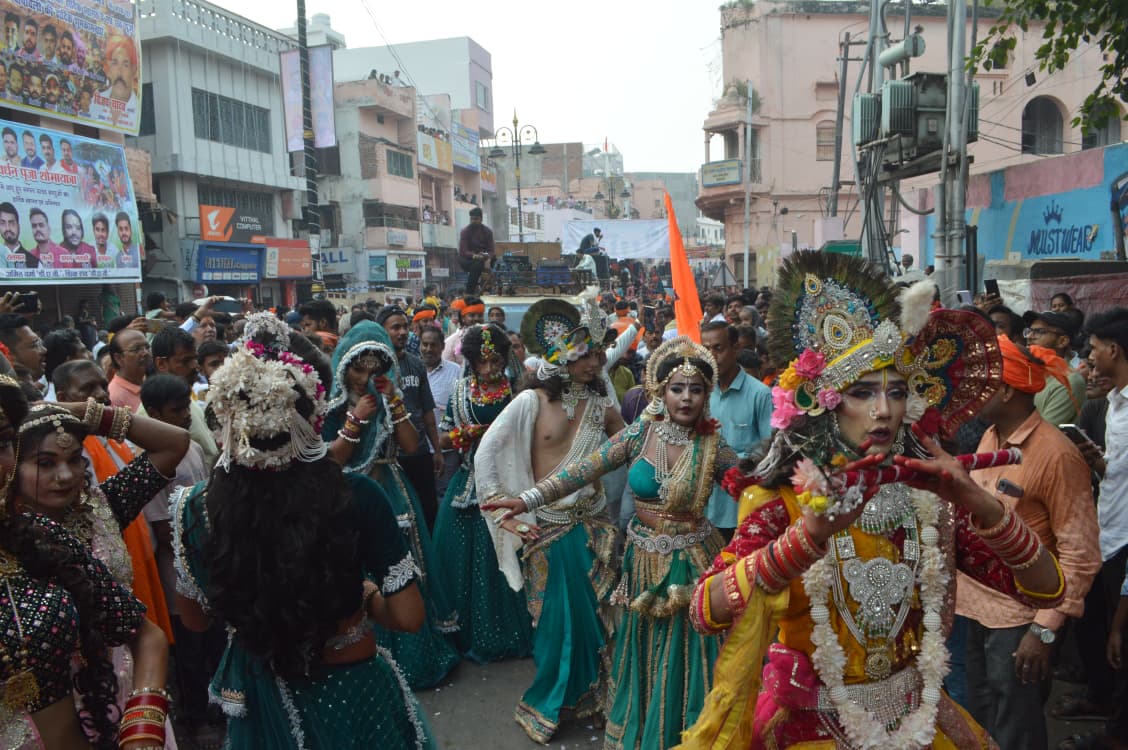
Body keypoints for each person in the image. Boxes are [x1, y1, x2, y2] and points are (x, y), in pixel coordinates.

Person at [679, 251, 1066, 750]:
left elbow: (1045, 591)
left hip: (915, 723)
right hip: (806, 726)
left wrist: (984, 505)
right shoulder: (785, 501)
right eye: (863, 392)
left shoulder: (931, 504)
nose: (884, 410)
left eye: (898, 392)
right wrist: (808, 539)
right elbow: (703, 610)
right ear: (826, 401)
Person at [171, 315, 436, 749]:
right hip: (352, 692)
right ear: (313, 416)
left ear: (226, 421)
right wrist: (366, 593)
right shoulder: (355, 494)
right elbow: (408, 617)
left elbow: (196, 619)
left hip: (261, 695)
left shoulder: (196, 507)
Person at [485, 334, 738, 749]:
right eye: (677, 388)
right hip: (641, 561)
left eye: (696, 390)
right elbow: (580, 472)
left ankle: (692, 733)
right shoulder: (639, 435)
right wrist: (527, 499)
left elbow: (750, 483)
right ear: (660, 391)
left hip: (692, 559)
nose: (686, 398)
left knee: (690, 651)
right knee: (643, 648)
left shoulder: (713, 445)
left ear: (707, 394)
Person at [478, 301, 624, 744]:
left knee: (597, 620)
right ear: (560, 357)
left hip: (594, 525)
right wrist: (504, 516)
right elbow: (486, 453)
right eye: (585, 354)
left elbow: (629, 438)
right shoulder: (531, 401)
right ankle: (549, 704)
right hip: (548, 526)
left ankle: (592, 699)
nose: (596, 361)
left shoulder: (601, 398)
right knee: (558, 625)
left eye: (598, 353)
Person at [0, 377, 173, 750]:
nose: (64, 476)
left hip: (112, 693)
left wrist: (82, 413)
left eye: (74, 460)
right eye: (45, 463)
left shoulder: (84, 516)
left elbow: (173, 443)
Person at [951, 334, 1100, 749]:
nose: (971, 394)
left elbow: (1081, 554)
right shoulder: (990, 439)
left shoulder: (1056, 454)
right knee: (979, 724)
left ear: (1005, 390)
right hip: (974, 612)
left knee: (1016, 728)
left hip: (1020, 620)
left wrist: (1045, 630)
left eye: (981, 385)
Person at [322, 319, 460, 690]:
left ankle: (413, 657)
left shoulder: (389, 400)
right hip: (349, 497)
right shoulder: (332, 408)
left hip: (393, 492)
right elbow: (333, 460)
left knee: (402, 567)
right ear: (344, 367)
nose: (366, 374)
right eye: (359, 366)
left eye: (375, 366)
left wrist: (394, 403)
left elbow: (412, 446)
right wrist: (355, 419)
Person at [430, 324, 534, 664]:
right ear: (471, 362)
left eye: (495, 362)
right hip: (468, 485)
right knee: (462, 560)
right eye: (482, 362)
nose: (489, 369)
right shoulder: (460, 393)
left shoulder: (518, 392)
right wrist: (467, 434)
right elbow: (443, 439)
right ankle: (466, 633)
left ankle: (510, 630)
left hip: (511, 486)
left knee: (503, 558)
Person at [700, 321, 773, 542]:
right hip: (703, 506)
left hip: (740, 506)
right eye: (706, 349)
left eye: (718, 348)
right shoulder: (699, 390)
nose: (712, 356)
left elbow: (769, 447)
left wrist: (735, 465)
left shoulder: (760, 394)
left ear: (735, 348)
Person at [377, 306, 444, 532]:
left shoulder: (416, 364)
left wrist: (436, 450)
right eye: (395, 327)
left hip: (420, 453)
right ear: (382, 331)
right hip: (388, 457)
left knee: (427, 512)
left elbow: (427, 412)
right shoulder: (374, 367)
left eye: (405, 327)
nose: (403, 332)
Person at [421, 325, 462, 499]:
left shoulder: (455, 371)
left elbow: (460, 409)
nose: (429, 349)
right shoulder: (413, 369)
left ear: (442, 347)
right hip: (419, 449)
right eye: (425, 344)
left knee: (444, 495)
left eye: (434, 345)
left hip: (446, 449)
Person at [107, 327, 150, 410]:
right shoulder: (114, 398)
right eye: (136, 349)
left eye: (147, 347)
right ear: (118, 358)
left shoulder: (150, 382)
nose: (145, 353)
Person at [458, 207, 495, 295]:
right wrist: (477, 256)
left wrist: (489, 259)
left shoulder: (488, 231)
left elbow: (491, 250)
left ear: (481, 219)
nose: (473, 221)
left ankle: (489, 289)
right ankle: (469, 292)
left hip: (483, 258)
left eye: (476, 219)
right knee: (477, 265)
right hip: (466, 259)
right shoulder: (465, 231)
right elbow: (464, 251)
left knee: (497, 263)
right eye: (471, 219)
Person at [0, 201, 38, 269]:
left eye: (11, 223)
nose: (7, 228)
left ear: (18, 226)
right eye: (2, 223)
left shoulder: (34, 262)